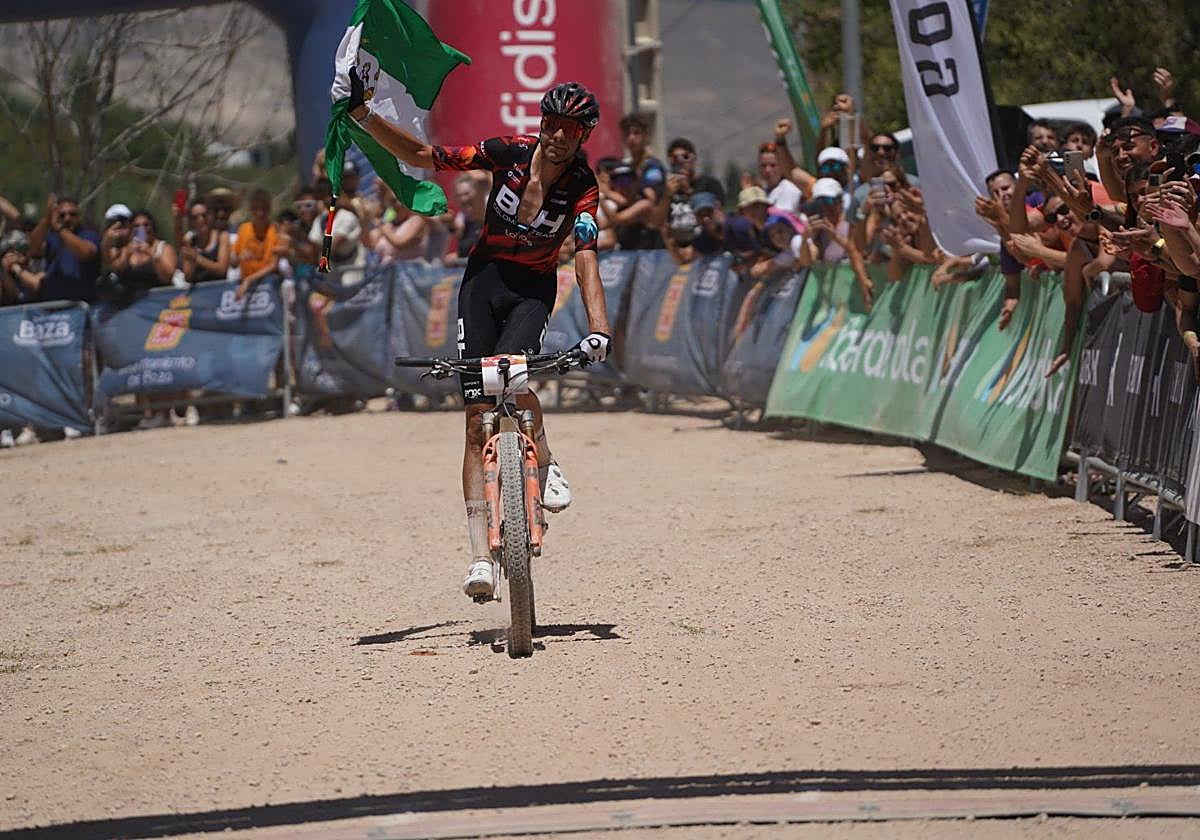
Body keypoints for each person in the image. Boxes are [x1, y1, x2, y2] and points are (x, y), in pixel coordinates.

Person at [348, 73, 612, 601]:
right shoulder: (507, 152)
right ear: (541, 124)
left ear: (583, 136)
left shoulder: (584, 186)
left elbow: (585, 257)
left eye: (572, 129)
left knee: (511, 380)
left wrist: (599, 329)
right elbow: (428, 157)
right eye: (553, 124)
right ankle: (478, 557)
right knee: (474, 424)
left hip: (533, 288)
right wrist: (365, 117)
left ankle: (547, 459)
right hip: (483, 281)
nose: (559, 135)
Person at [26, 195, 101, 303]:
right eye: (62, 215)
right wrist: (46, 220)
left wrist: (60, 229)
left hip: (81, 305)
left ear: (79, 217)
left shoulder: (89, 235)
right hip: (52, 305)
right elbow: (32, 249)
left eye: (72, 214)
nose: (67, 218)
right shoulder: (51, 237)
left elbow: (86, 253)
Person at [234, 189, 280, 300]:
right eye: (256, 209)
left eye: (264, 208)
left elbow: (273, 265)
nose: (260, 213)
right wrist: (239, 257)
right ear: (250, 210)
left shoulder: (276, 230)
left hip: (269, 287)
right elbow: (233, 261)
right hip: (246, 288)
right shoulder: (243, 229)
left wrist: (249, 280)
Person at [178, 199, 230, 284]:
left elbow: (222, 269)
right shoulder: (190, 241)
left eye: (204, 215)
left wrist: (197, 258)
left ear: (211, 216)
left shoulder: (222, 236)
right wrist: (191, 261)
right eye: (195, 217)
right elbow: (188, 277)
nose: (200, 220)